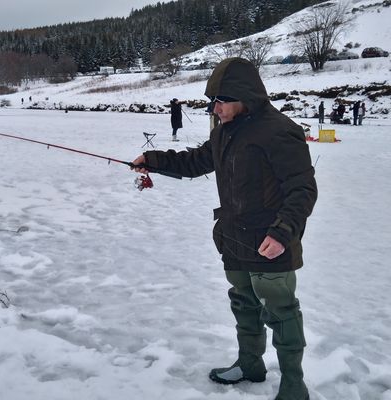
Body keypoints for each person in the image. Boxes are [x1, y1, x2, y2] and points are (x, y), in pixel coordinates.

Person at [132, 58, 317, 400]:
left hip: (269, 241)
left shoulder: (280, 130)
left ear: (244, 95)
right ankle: (250, 364)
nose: (214, 108)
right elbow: (195, 162)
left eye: (220, 100)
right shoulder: (223, 133)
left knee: (281, 311)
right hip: (233, 237)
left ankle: (294, 382)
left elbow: (302, 188)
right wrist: (154, 161)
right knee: (243, 304)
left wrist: (282, 233)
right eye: (211, 101)